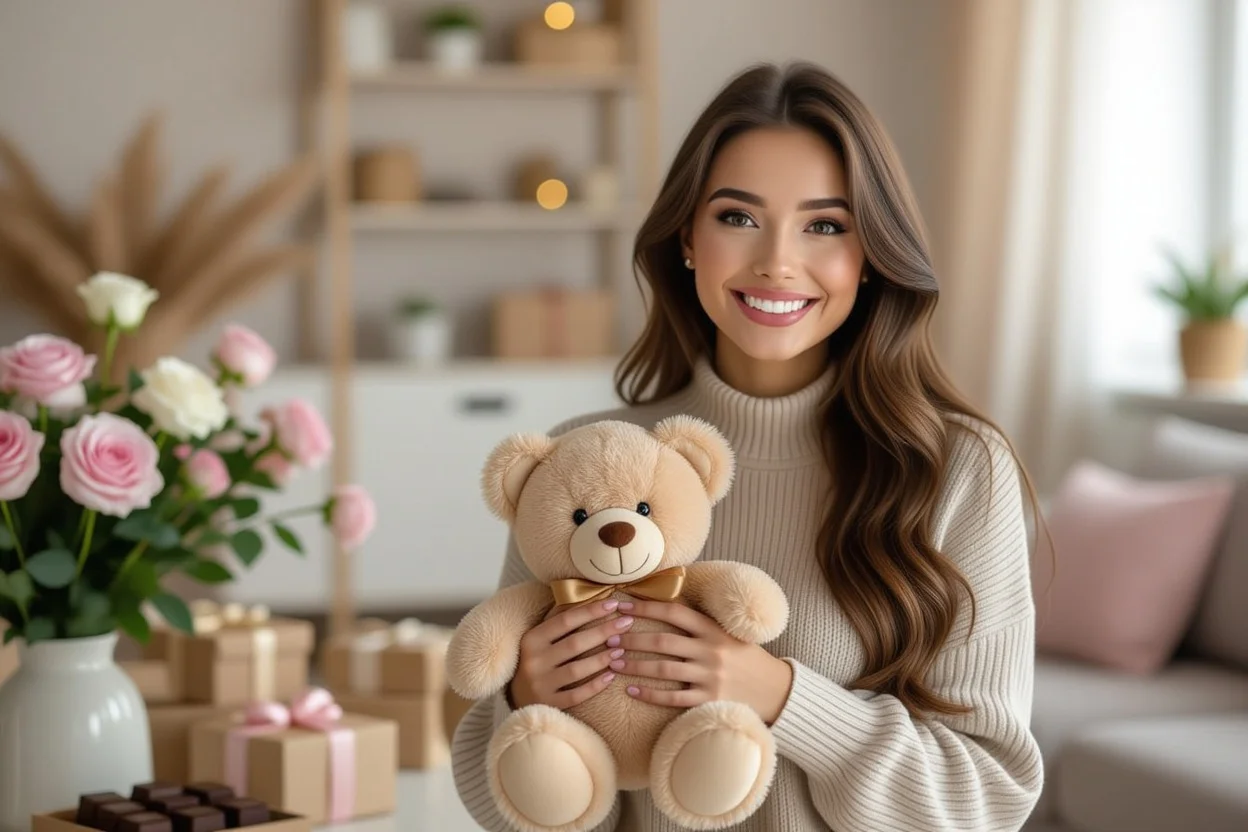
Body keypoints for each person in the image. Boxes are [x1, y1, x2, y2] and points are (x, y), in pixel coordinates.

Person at [451, 61, 1045, 832]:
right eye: (738, 216)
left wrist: (780, 696)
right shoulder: (586, 461)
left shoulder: (958, 471)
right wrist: (521, 701)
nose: (775, 261)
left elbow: (987, 798)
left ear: (869, 257)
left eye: (825, 225)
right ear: (688, 238)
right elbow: (494, 793)